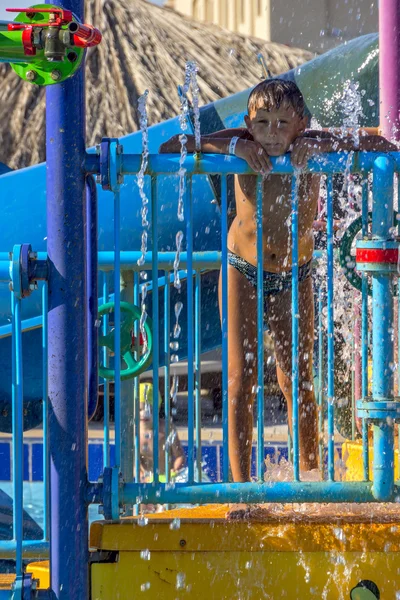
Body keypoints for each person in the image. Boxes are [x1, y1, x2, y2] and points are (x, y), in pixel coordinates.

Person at [159, 79, 396, 516]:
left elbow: (377, 139)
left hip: (295, 273)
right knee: (237, 382)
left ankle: (307, 479)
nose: (271, 133)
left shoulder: (313, 141)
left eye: (283, 124)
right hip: (242, 271)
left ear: (301, 123)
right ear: (248, 123)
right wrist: (229, 150)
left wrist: (322, 145)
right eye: (262, 123)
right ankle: (241, 492)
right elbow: (176, 143)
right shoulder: (239, 141)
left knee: (298, 377)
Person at [139, 382, 186, 483]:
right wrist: (142, 476)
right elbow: (134, 464)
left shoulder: (167, 429)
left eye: (150, 410)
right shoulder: (134, 433)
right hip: (147, 482)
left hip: (167, 479)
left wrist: (175, 470)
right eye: (139, 409)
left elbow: (179, 456)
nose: (144, 413)